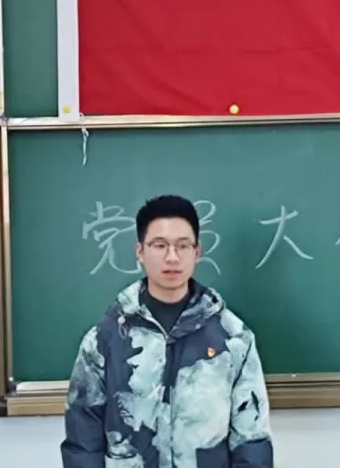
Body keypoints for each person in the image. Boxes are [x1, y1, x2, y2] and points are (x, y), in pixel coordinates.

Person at [61, 194, 274, 468]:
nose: (172, 257)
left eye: (183, 246)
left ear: (197, 252)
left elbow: (251, 440)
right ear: (140, 252)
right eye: (159, 245)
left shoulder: (233, 338)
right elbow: (83, 442)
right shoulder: (104, 339)